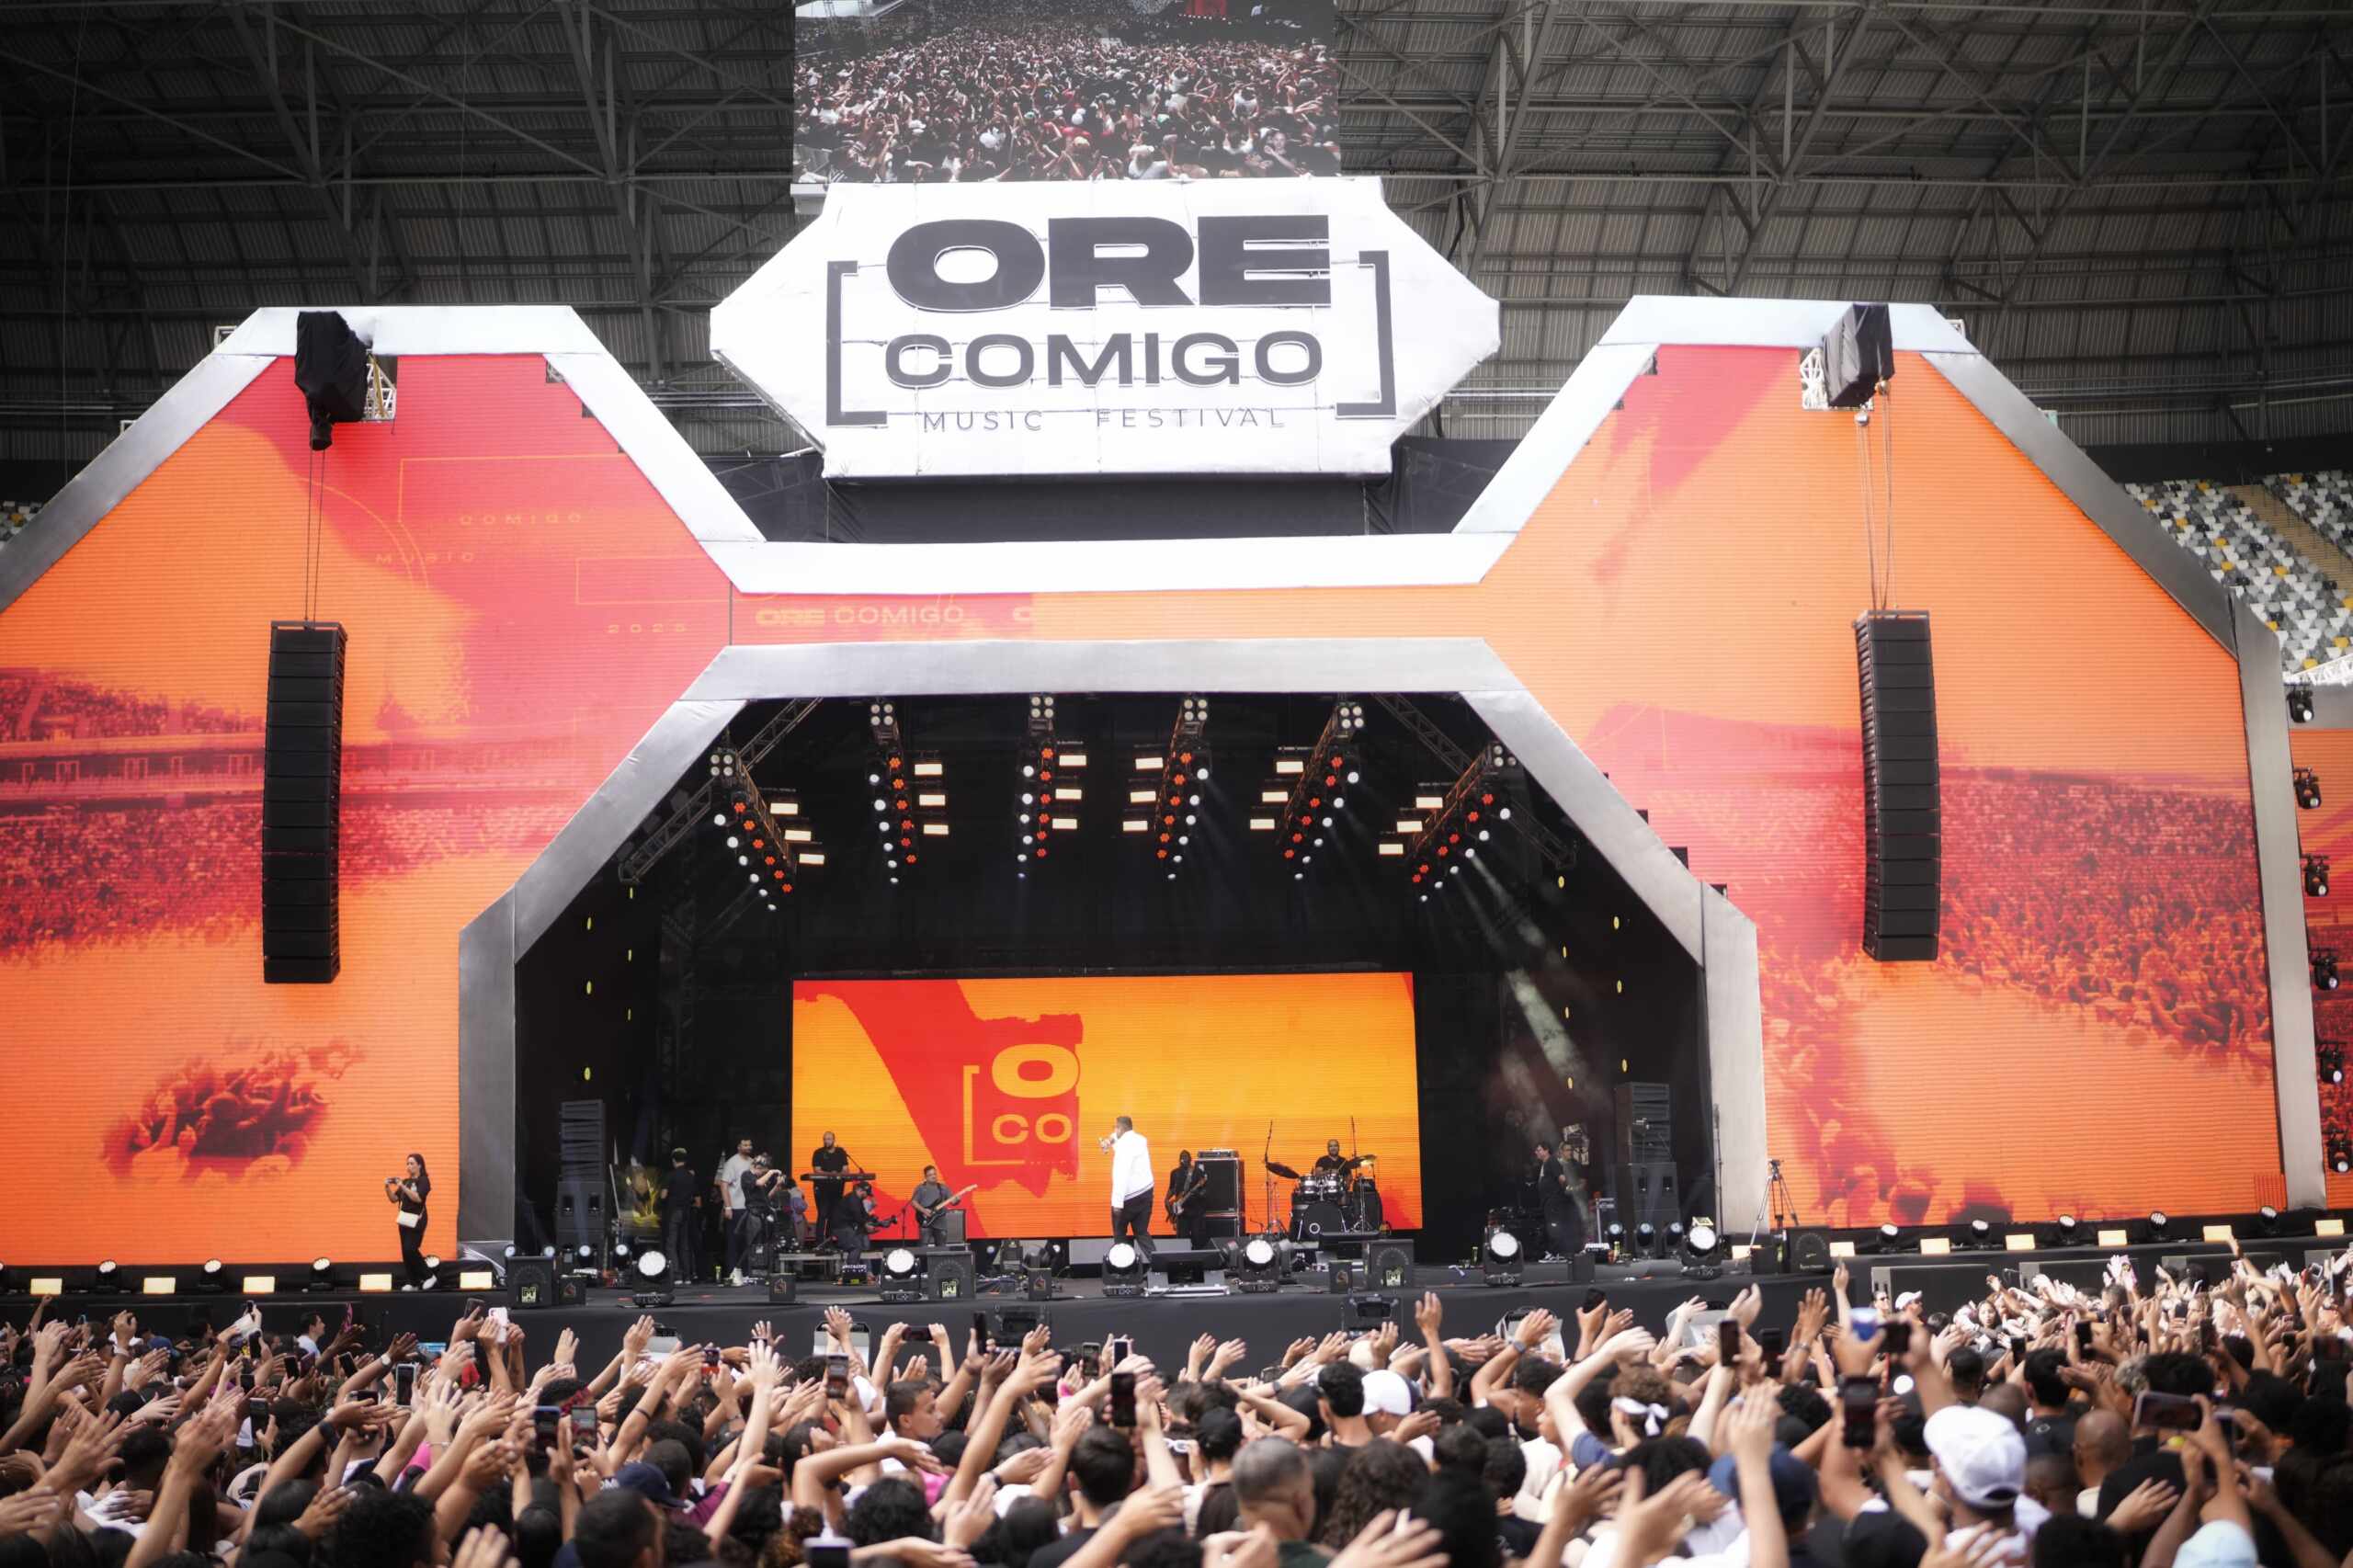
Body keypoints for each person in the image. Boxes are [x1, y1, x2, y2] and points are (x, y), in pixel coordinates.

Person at [1104, 1114, 1154, 1259]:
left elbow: (1121, 1175)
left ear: (1121, 1128)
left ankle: (1123, 1266)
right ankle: (1158, 1265)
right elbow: (1115, 1137)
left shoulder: (1124, 1148)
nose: (1114, 1130)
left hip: (1128, 1198)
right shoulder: (1140, 1140)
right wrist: (1108, 1142)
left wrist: (1117, 1204)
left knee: (1119, 1235)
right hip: (1146, 1194)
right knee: (1142, 1232)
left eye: (1115, 1127)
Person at [382, 1153, 433, 1289]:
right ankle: (413, 1282)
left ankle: (429, 1276)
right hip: (404, 1220)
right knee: (405, 1252)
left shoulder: (424, 1180)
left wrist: (403, 1186)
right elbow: (394, 1199)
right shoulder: (405, 1182)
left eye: (412, 1163)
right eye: (407, 1163)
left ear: (419, 1165)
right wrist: (387, 1187)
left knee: (411, 1249)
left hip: (417, 1220)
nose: (409, 1166)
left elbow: (418, 1198)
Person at [1533, 1139, 1585, 1258]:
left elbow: (1561, 1178)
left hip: (1554, 1200)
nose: (1536, 1152)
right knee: (1551, 1226)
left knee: (1554, 1226)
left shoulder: (1552, 1161)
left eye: (1539, 1150)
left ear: (1546, 1150)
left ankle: (1554, 1252)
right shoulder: (1546, 1163)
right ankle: (1553, 1252)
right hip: (1548, 1201)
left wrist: (1570, 1188)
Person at [714, 1137, 754, 1285]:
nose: (748, 1147)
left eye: (749, 1144)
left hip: (748, 1208)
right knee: (733, 1242)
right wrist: (728, 1206)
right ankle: (732, 1274)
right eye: (745, 1145)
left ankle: (746, 1274)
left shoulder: (752, 1162)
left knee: (747, 1242)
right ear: (739, 1147)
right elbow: (723, 1184)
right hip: (735, 1208)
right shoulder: (732, 1162)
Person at [658, 1147, 699, 1283]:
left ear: (674, 1160)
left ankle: (676, 1276)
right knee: (684, 1245)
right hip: (686, 1213)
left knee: (671, 1244)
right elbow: (697, 1200)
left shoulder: (670, 1175)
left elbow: (663, 1196)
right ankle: (687, 1276)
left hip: (673, 1212)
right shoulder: (691, 1176)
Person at [909, 1165, 971, 1247]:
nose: (933, 1176)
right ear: (925, 1177)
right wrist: (924, 1211)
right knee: (923, 1247)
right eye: (930, 1175)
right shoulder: (920, 1188)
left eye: (934, 1174)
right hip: (925, 1222)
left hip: (941, 1223)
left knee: (941, 1247)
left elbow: (953, 1202)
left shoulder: (943, 1188)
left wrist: (958, 1199)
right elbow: (913, 1202)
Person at [811, 1131, 852, 1247]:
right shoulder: (818, 1153)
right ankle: (819, 1242)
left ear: (834, 1140)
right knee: (823, 1213)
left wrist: (838, 1174)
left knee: (833, 1214)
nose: (826, 1141)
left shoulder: (841, 1152)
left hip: (837, 1187)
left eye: (828, 1139)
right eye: (824, 1139)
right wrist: (831, 1174)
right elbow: (817, 1170)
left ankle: (828, 1241)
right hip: (822, 1188)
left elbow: (846, 1169)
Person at [1166, 1149, 1211, 1248]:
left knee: (1197, 1238)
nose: (1183, 1159)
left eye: (1186, 1157)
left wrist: (1198, 1193)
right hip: (1181, 1213)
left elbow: (1205, 1191)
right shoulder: (1175, 1173)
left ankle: (1198, 1256)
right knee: (1182, 1240)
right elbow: (1172, 1189)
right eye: (1182, 1157)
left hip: (1196, 1211)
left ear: (1190, 1159)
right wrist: (1168, 1203)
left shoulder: (1198, 1172)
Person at [833, 1178, 879, 1266]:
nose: (867, 1196)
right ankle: (851, 1270)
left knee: (857, 1246)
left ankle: (852, 1268)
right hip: (841, 1227)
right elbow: (857, 1216)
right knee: (856, 1247)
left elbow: (863, 1214)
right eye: (866, 1193)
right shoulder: (853, 1199)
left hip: (846, 1227)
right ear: (861, 1190)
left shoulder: (858, 1199)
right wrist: (866, 1225)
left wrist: (874, 1220)